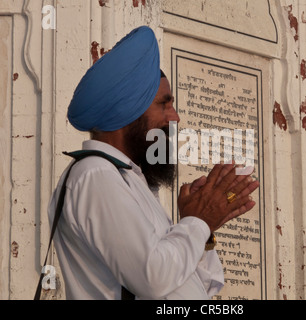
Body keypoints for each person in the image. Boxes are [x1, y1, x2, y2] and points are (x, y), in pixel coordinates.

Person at [48, 26, 259, 300]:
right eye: (164, 104)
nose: (174, 118)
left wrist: (200, 229)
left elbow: (203, 286)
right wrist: (199, 220)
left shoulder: (128, 180)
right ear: (129, 109)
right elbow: (152, 278)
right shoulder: (94, 174)